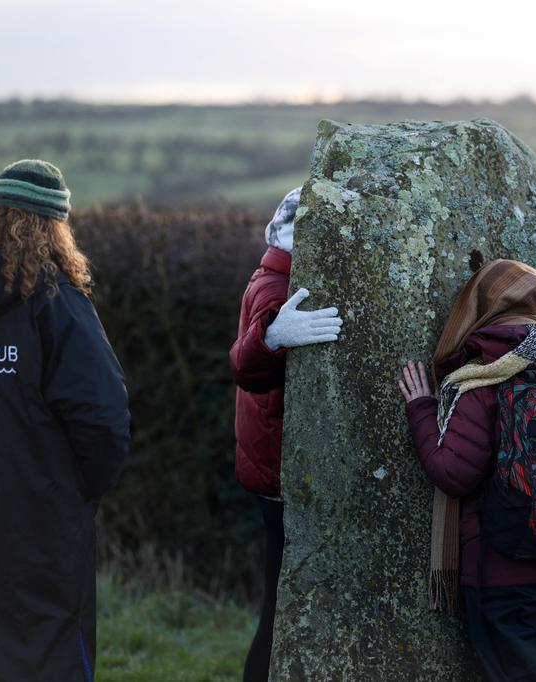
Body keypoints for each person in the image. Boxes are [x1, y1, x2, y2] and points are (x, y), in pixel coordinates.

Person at [398, 259, 536, 682]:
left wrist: (422, 409)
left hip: (505, 580)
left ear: (478, 313)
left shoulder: (481, 382)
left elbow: (453, 473)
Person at [0, 159, 131, 681]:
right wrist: (79, 492)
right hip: (42, 523)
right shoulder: (61, 308)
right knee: (49, 646)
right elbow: (102, 420)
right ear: (56, 228)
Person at [229, 187, 343, 682]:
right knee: (280, 606)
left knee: (287, 600)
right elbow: (244, 365)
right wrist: (273, 337)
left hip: (276, 466)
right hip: (279, 475)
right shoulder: (278, 286)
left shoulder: (283, 274)